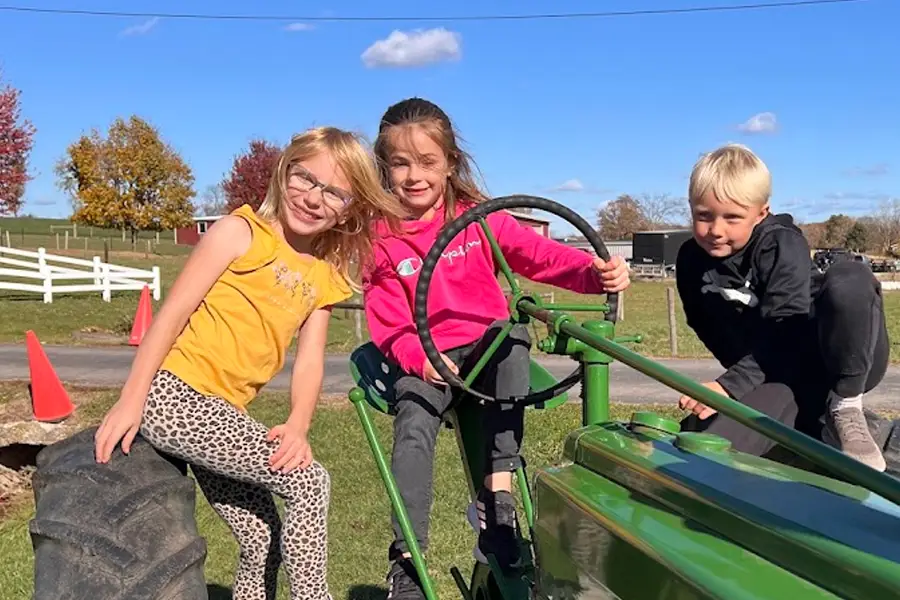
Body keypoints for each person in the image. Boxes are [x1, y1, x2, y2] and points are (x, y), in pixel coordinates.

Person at [93, 127, 406, 600]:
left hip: (222, 415)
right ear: (284, 171)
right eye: (305, 179)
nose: (314, 198)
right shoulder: (239, 232)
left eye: (335, 192)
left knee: (261, 535)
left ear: (350, 207)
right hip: (175, 397)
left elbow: (310, 363)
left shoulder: (323, 273)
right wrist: (131, 400)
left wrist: (299, 424)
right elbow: (171, 316)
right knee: (309, 484)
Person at [362, 97, 631, 598]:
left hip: (486, 355)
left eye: (427, 162)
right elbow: (387, 319)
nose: (414, 175)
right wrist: (420, 359)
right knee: (414, 426)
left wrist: (596, 274)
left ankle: (497, 503)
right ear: (383, 167)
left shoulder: (479, 219)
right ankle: (407, 559)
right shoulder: (379, 238)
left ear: (450, 163)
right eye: (400, 163)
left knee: (511, 339)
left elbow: (542, 257)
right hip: (425, 359)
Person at [675, 143, 888, 472]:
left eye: (732, 217)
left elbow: (788, 334)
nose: (716, 230)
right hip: (778, 373)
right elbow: (704, 324)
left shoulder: (780, 243)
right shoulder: (690, 259)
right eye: (703, 216)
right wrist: (744, 385)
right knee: (708, 453)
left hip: (836, 355)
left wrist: (731, 386)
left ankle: (846, 407)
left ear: (762, 213)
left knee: (850, 278)